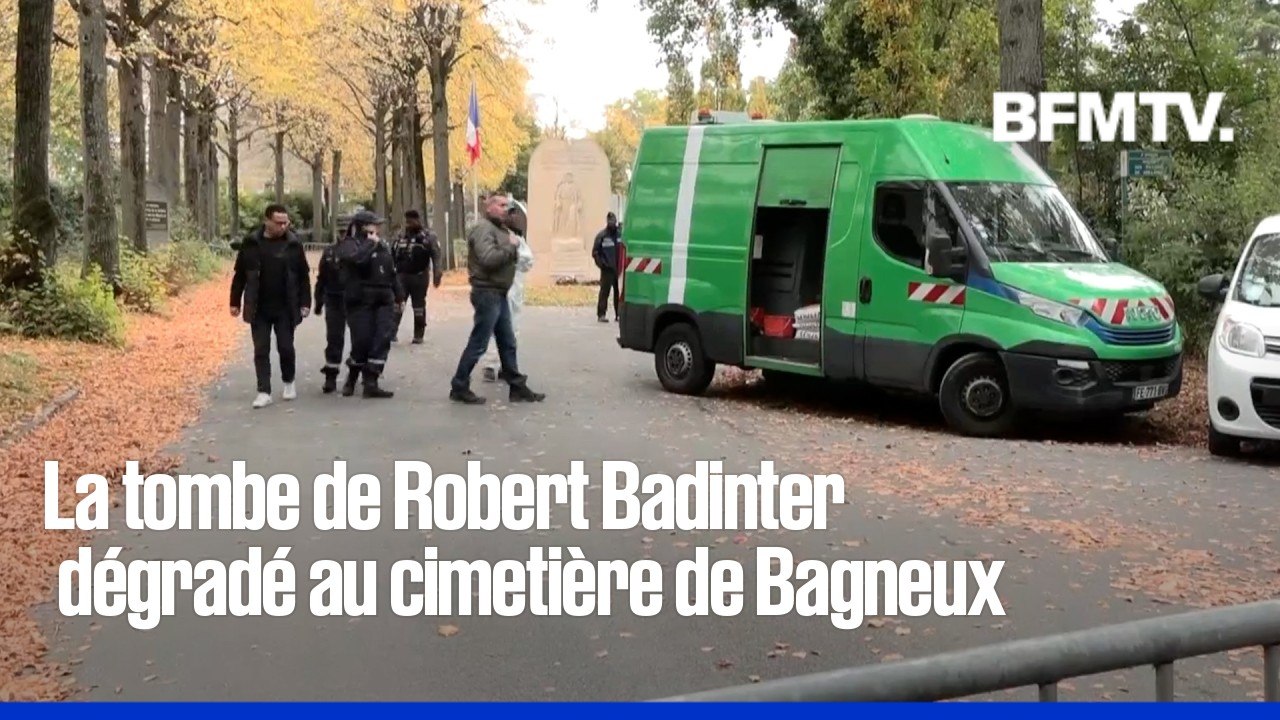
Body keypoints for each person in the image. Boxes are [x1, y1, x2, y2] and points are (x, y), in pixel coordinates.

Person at [450, 194, 546, 405]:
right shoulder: (484, 229)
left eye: (507, 205)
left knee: (507, 341)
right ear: (489, 207)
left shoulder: (501, 230)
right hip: (487, 293)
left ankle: (516, 386)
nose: (506, 209)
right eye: (501, 205)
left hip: (498, 293)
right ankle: (459, 384)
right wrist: (511, 247)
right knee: (479, 342)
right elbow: (488, 259)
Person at [229, 204, 312, 409]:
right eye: (278, 222)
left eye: (286, 222)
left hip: (286, 306)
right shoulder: (251, 243)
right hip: (259, 306)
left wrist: (305, 303)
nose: (283, 226)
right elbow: (240, 275)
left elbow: (303, 276)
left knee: (285, 346)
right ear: (267, 221)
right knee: (261, 349)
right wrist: (234, 302)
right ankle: (263, 391)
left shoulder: (293, 244)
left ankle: (288, 382)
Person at [336, 210, 404, 399]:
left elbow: (391, 270)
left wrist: (399, 295)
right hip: (360, 299)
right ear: (362, 226)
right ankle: (352, 376)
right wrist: (369, 244)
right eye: (374, 225)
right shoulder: (350, 244)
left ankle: (371, 381)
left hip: (384, 297)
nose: (378, 228)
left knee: (382, 338)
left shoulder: (382, 245)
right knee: (362, 340)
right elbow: (356, 260)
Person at [483, 199, 534, 383]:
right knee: (492, 327)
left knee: (512, 329)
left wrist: (514, 256)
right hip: (496, 289)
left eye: (514, 213)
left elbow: (528, 261)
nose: (513, 217)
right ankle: (490, 364)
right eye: (509, 213)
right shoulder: (492, 236)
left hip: (514, 290)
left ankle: (508, 366)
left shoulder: (517, 239)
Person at [390, 210, 443, 344]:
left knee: (418, 307)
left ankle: (418, 335)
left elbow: (436, 255)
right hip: (401, 276)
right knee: (397, 304)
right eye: (407, 221)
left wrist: (438, 274)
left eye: (412, 221)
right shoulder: (400, 236)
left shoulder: (429, 236)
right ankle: (391, 333)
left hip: (419, 276)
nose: (409, 224)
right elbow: (392, 255)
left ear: (419, 220)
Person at [314, 223, 352, 394]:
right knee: (334, 338)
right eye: (340, 231)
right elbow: (321, 278)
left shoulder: (359, 249)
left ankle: (358, 375)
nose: (342, 234)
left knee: (361, 339)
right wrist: (318, 302)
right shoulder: (329, 251)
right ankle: (331, 375)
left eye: (346, 231)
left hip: (355, 300)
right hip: (334, 299)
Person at [592, 212, 623, 322]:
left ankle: (618, 314)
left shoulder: (620, 235)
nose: (612, 223)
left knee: (618, 293)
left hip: (619, 269)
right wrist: (602, 265)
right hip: (607, 270)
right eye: (610, 221)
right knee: (604, 292)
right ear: (607, 222)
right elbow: (595, 253)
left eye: (613, 221)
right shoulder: (602, 236)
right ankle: (601, 314)